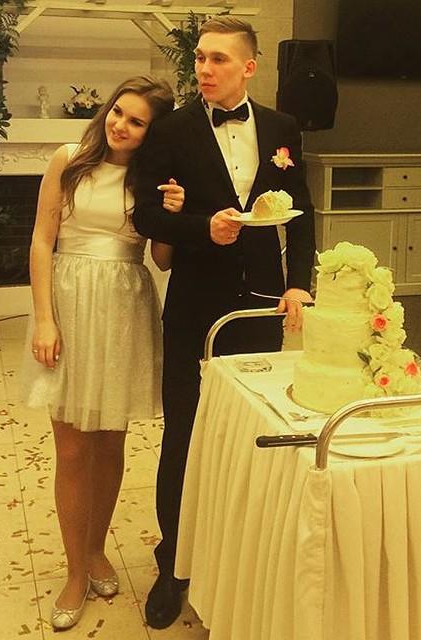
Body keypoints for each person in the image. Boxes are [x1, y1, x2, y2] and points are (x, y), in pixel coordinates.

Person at [132, 17, 315, 629]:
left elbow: (302, 210)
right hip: (195, 306)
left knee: (255, 431)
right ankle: (172, 564)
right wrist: (199, 228)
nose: (205, 69)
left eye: (218, 59)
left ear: (249, 67)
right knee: (185, 430)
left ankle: (241, 553)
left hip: (261, 307)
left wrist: (299, 282)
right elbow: (148, 216)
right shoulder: (172, 129)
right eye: (201, 59)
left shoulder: (284, 128)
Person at [22, 75, 184, 631]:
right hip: (67, 304)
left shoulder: (152, 179)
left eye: (137, 122)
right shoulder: (68, 158)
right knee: (72, 450)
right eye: (119, 112)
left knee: (111, 443)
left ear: (151, 133)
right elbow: (42, 239)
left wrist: (172, 214)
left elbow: (161, 260)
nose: (121, 125)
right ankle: (74, 571)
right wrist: (45, 318)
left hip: (123, 309)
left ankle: (95, 550)